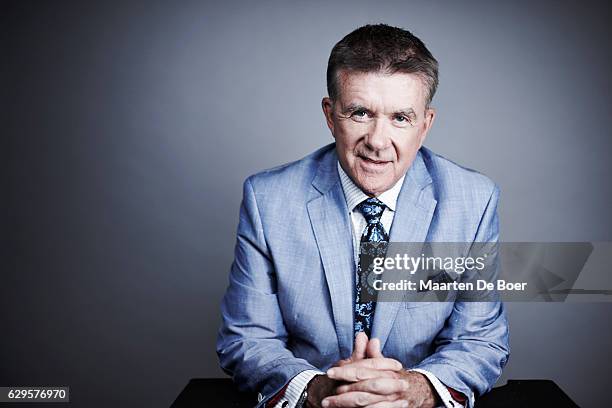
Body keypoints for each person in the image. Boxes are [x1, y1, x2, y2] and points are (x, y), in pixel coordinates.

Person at [217, 24, 509, 408]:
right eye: (360, 113)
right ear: (330, 114)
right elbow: (247, 338)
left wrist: (414, 390)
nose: (376, 139)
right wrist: (319, 389)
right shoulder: (268, 199)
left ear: (425, 125)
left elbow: (479, 339)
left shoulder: (473, 201)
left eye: (400, 118)